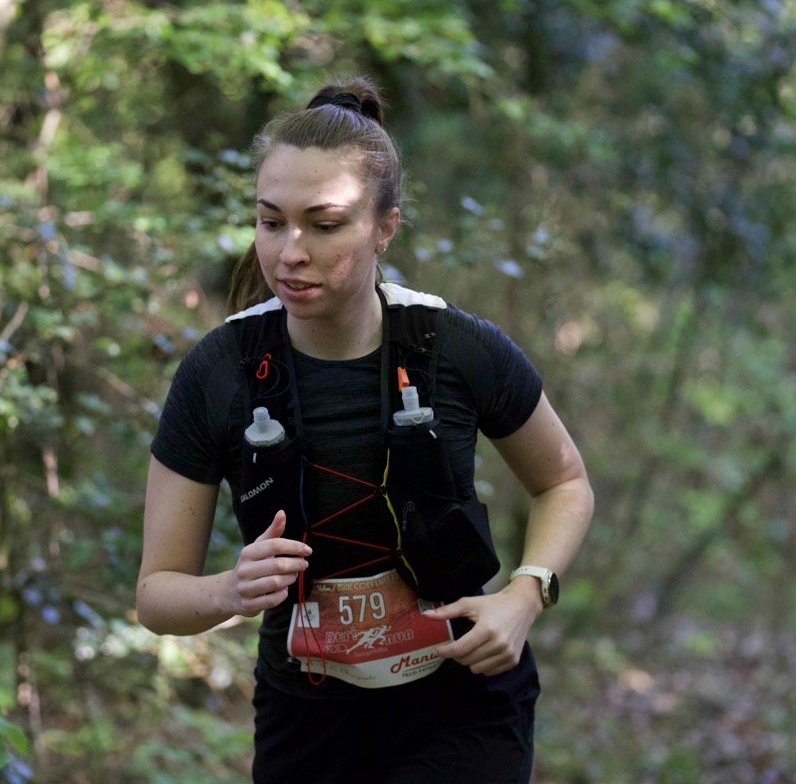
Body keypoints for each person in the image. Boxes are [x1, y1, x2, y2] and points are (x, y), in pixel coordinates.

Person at [137, 77, 594, 783]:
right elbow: (156, 594)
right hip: (307, 717)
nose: (290, 251)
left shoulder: (453, 347)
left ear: (385, 227)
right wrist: (228, 590)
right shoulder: (219, 372)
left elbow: (564, 481)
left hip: (463, 701)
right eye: (270, 222)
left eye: (324, 225)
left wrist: (525, 594)